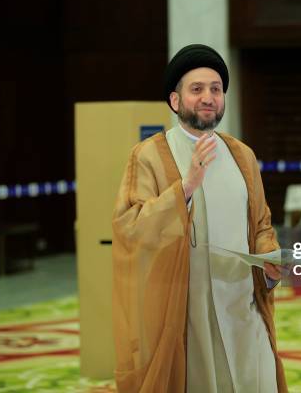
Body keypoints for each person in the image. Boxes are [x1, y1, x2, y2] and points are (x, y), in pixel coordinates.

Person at [111, 44, 288, 392]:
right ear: (175, 101)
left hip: (243, 307)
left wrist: (270, 263)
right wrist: (186, 188)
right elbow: (130, 229)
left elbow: (262, 224)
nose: (208, 97)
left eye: (216, 89)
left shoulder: (242, 155)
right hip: (186, 315)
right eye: (197, 89)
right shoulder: (148, 156)